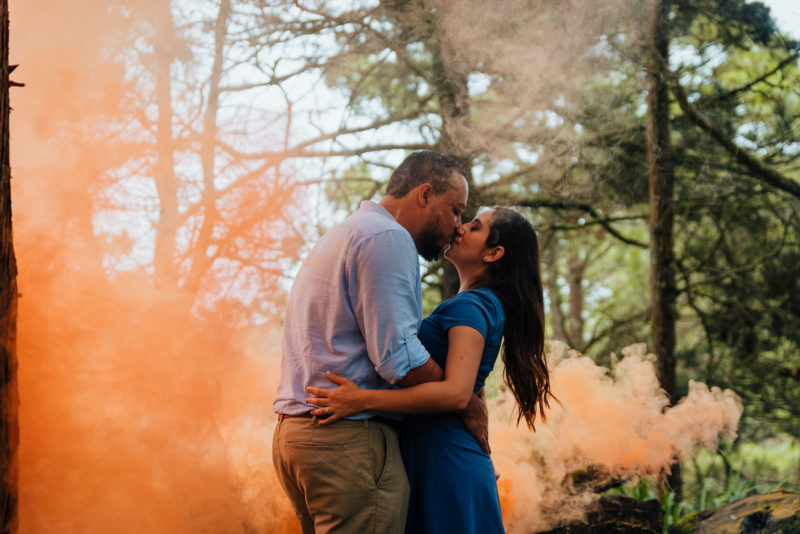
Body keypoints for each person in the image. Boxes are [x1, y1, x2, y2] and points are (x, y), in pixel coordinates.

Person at [272, 150, 489, 534]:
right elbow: (399, 359)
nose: (457, 225)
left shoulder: (346, 232)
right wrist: (464, 400)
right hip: (349, 443)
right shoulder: (388, 237)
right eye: (455, 210)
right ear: (424, 194)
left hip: (298, 437)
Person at [306, 207, 554, 534]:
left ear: (493, 253)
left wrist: (362, 400)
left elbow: (456, 393)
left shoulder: (472, 306)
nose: (461, 228)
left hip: (444, 461)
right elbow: (471, 387)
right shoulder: (480, 303)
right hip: (440, 455)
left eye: (474, 226)